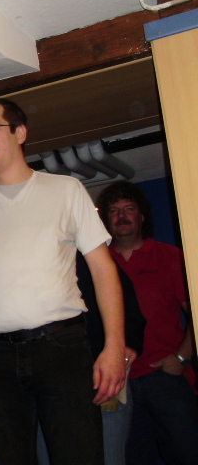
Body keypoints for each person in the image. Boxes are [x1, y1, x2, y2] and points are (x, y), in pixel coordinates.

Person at [0, 96, 126, 465]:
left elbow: (103, 270)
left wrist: (114, 347)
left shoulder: (66, 190)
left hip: (61, 351)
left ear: (20, 133)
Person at [96, 180, 198, 465]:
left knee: (187, 455)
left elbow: (196, 314)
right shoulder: (98, 264)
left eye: (129, 209)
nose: (121, 216)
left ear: (142, 216)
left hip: (165, 376)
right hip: (118, 383)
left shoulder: (170, 257)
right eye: (114, 211)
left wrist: (181, 358)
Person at [37, 251, 146, 465]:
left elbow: (128, 303)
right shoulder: (31, 263)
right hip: (48, 382)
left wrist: (127, 346)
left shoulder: (89, 255)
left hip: (100, 380)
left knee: (107, 456)